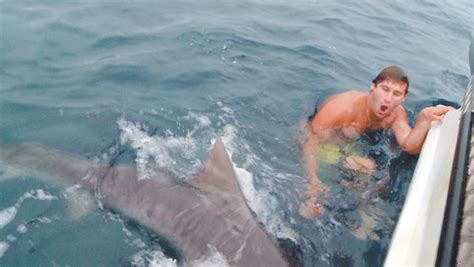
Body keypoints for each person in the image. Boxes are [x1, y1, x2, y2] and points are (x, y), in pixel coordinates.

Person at [299, 66, 453, 219]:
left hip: (351, 143)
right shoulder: (342, 108)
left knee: (369, 170)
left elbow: (409, 145)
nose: (388, 98)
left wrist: (424, 119)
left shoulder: (395, 113)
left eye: (396, 94)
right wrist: (312, 179)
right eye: (385, 89)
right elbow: (310, 142)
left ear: (404, 98)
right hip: (325, 141)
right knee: (313, 202)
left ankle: (360, 208)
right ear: (373, 87)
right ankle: (315, 200)